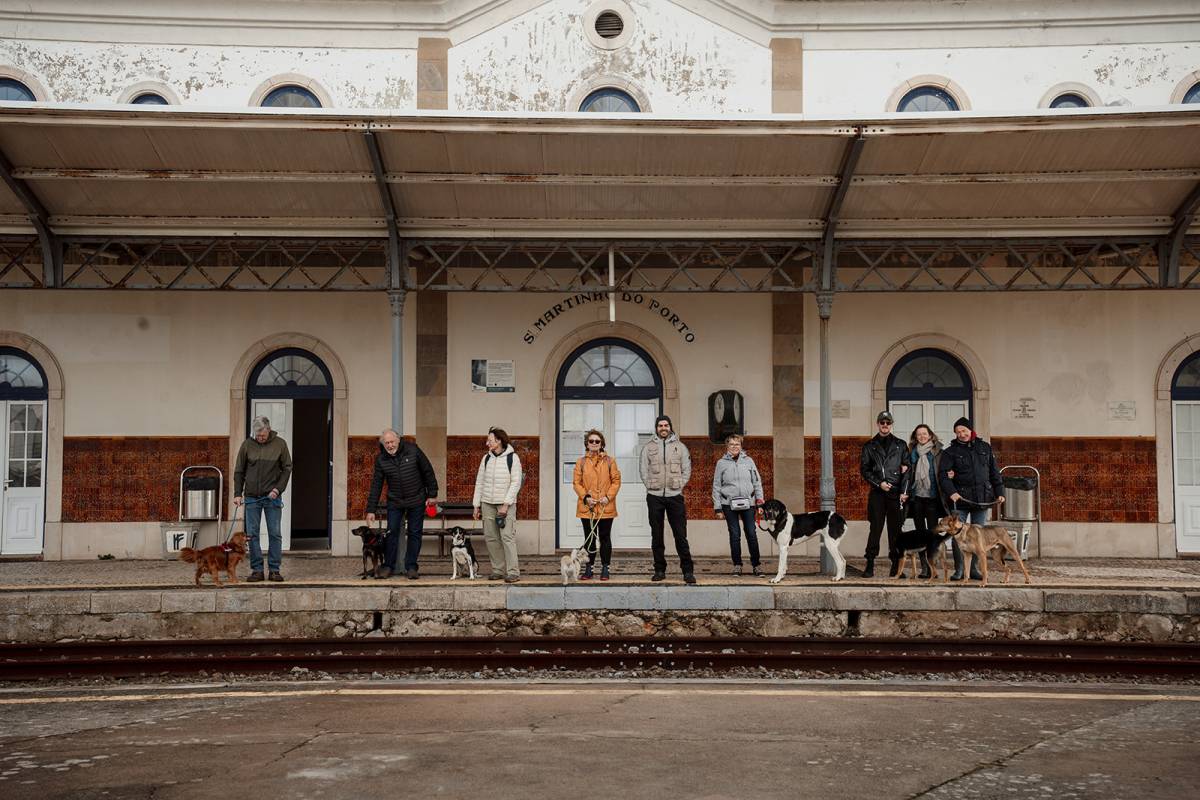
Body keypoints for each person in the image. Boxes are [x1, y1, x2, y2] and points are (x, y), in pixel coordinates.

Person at [365, 428, 438, 580]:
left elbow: (428, 471)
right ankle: (388, 566)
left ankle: (411, 566)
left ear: (398, 440)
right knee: (391, 532)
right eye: (386, 443)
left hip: (416, 499)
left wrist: (432, 494)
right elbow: (376, 485)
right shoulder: (381, 459)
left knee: (414, 533)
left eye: (392, 442)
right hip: (395, 501)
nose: (390, 445)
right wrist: (371, 510)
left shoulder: (413, 450)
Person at [938, 416, 1004, 581]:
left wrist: (1000, 492)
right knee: (957, 534)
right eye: (958, 432)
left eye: (964, 431)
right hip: (960, 499)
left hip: (981, 499)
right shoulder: (950, 452)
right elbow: (943, 476)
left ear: (970, 430)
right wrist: (951, 491)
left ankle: (973, 569)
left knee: (978, 536)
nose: (961, 434)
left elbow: (994, 473)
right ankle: (959, 570)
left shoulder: (985, 448)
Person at [233, 415, 293, 583]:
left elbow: (287, 468)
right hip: (252, 497)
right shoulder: (247, 445)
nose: (260, 438)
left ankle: (274, 570)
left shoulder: (280, 444)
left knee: (275, 533)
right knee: (252, 534)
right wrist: (238, 493)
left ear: (269, 430)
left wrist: (278, 489)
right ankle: (257, 570)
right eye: (257, 435)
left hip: (272, 497)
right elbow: (239, 471)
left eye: (263, 435)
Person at [639, 414, 696, 584]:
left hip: (675, 497)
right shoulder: (648, 448)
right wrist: (650, 486)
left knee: (680, 535)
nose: (663, 428)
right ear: (656, 428)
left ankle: (687, 571)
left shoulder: (681, 447)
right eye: (660, 426)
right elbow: (643, 470)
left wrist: (678, 486)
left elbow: (687, 470)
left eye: (666, 425)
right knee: (657, 536)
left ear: (670, 427)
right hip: (654, 497)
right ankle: (659, 569)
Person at [472, 427, 523, 583]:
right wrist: (476, 505)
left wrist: (506, 505)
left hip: (504, 504)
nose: (487, 443)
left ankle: (513, 572)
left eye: (490, 440)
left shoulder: (512, 458)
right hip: (487, 502)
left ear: (499, 440)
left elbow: (516, 483)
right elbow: (479, 481)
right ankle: (498, 570)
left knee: (507, 537)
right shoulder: (486, 458)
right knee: (491, 538)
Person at [860, 410, 906, 578]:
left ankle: (896, 565)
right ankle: (870, 562)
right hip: (878, 493)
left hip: (894, 493)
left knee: (895, 530)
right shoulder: (869, 446)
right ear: (878, 424)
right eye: (882, 423)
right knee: (875, 529)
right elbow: (864, 470)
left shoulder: (901, 445)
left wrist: (904, 491)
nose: (885, 425)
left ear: (891, 425)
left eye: (888, 423)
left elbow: (907, 469)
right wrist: (879, 483)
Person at [712, 434, 765, 577]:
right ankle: (737, 565)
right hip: (728, 504)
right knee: (735, 535)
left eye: (737, 444)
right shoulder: (721, 463)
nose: (735, 447)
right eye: (732, 444)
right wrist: (718, 507)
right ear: (727, 446)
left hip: (749, 503)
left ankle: (756, 565)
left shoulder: (749, 461)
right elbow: (716, 486)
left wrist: (760, 502)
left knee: (751, 534)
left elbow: (757, 482)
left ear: (741, 446)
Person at [572, 429, 622, 581]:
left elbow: (616, 481)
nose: (594, 443)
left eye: (597, 441)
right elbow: (576, 483)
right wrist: (586, 497)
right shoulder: (580, 462)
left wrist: (608, 497)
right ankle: (589, 568)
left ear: (601, 444)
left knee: (605, 537)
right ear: (587, 444)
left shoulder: (610, 461)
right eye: (591, 441)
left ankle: (605, 568)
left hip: (606, 506)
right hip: (588, 507)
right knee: (589, 538)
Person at [900, 423, 946, 580]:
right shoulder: (912, 453)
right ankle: (924, 569)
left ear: (930, 435)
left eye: (924, 434)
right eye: (919, 434)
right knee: (920, 535)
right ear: (915, 436)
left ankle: (934, 567)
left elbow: (944, 470)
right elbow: (908, 475)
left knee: (932, 535)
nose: (922, 436)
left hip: (933, 498)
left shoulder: (938, 452)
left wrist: (951, 474)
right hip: (917, 498)